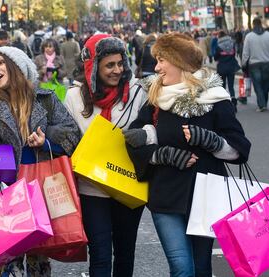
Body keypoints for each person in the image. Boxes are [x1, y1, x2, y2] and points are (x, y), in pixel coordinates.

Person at [125, 33, 251, 277]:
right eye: (157, 61)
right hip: (165, 197)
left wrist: (211, 141)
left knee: (201, 267)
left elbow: (240, 149)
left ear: (180, 62)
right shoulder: (155, 99)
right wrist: (163, 155)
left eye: (162, 60)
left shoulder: (216, 99)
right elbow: (134, 140)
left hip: (205, 198)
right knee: (182, 268)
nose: (157, 67)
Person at [0, 46, 81, 276]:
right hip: (6, 194)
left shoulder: (45, 99)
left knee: (39, 262)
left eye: (0, 63)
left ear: (16, 67)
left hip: (40, 189)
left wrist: (47, 140)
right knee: (9, 265)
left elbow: (72, 133)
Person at [63, 34, 147, 277]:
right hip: (92, 188)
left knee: (124, 253)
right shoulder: (74, 97)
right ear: (92, 66)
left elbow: (152, 129)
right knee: (99, 255)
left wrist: (145, 134)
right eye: (110, 65)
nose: (117, 70)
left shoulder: (137, 94)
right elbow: (70, 140)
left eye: (121, 64)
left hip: (128, 186)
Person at [242, 17, 269, 112]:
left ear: (253, 25)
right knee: (266, 85)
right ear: (261, 24)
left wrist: (244, 63)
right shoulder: (267, 35)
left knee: (258, 85)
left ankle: (262, 105)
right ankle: (264, 102)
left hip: (254, 64)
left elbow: (245, 52)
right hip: (267, 63)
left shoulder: (249, 36)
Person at [214, 30, 240, 112]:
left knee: (223, 87)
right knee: (231, 86)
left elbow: (216, 57)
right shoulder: (232, 44)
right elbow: (234, 54)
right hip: (231, 68)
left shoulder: (219, 46)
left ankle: (225, 105)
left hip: (222, 68)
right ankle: (233, 101)